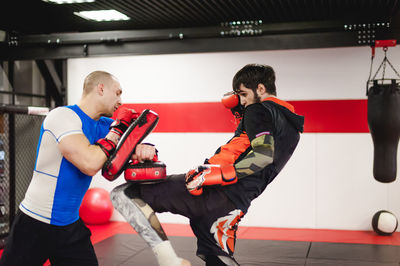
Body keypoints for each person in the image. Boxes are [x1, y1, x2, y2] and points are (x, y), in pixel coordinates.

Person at [110, 64, 304, 266]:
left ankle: (169, 261)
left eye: (244, 94)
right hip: (234, 206)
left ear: (261, 89)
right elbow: (259, 154)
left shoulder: (257, 109)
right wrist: (242, 123)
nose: (243, 101)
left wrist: (217, 174)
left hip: (211, 193)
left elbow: (263, 155)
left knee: (124, 194)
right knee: (218, 261)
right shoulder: (291, 127)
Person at [0, 71, 157, 266]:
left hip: (70, 226)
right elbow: (89, 163)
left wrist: (143, 149)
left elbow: (128, 148)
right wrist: (117, 132)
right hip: (34, 223)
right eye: (117, 93)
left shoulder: (105, 126)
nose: (121, 101)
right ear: (101, 88)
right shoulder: (62, 116)